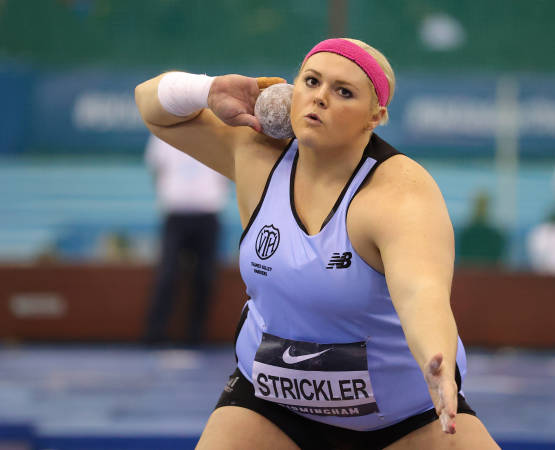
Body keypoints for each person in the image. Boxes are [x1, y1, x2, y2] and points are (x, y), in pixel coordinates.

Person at [135, 38, 498, 449]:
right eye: (311, 81)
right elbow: (150, 107)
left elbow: (421, 292)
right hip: (271, 408)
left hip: (407, 419)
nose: (321, 97)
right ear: (292, 90)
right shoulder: (257, 155)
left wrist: (437, 361)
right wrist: (207, 90)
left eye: (343, 92)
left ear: (375, 117)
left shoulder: (399, 193)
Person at [144, 134, 229, 346]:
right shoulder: (163, 132)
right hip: (176, 213)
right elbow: (156, 169)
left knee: (205, 276)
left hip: (207, 212)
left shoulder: (217, 133)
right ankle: (155, 333)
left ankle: (196, 335)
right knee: (167, 274)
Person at [456, 190, 506, 267]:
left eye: (483, 205)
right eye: (479, 205)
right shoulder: (465, 235)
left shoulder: (496, 237)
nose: (481, 209)